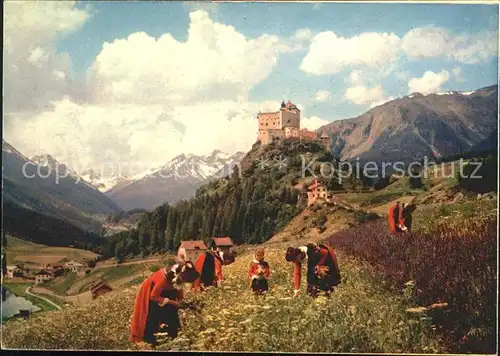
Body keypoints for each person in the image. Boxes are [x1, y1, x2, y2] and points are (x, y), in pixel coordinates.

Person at [129, 262, 200, 347]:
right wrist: (174, 303)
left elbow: (178, 290)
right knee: (152, 318)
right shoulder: (163, 279)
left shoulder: (178, 277)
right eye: (184, 280)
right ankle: (152, 342)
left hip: (164, 294)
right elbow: (154, 296)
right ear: (179, 274)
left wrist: (181, 302)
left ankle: (173, 337)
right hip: (151, 295)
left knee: (172, 316)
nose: (184, 282)